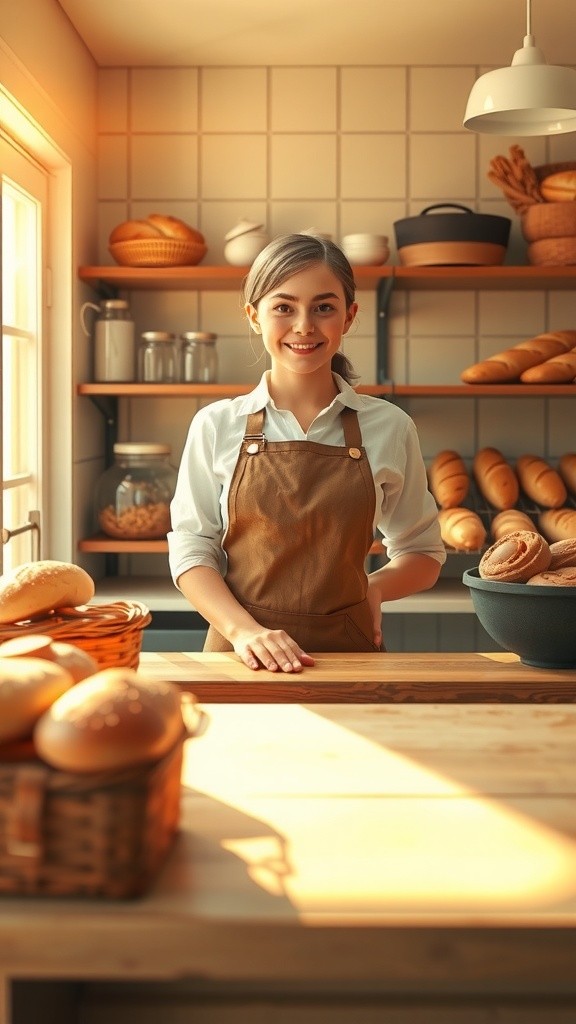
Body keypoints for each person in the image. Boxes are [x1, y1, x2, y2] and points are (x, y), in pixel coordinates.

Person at [168, 233, 445, 672]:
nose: (304, 326)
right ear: (254, 316)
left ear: (349, 316)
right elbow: (191, 551)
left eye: (324, 307)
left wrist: (375, 588)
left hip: (350, 655)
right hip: (240, 656)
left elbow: (423, 552)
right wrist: (245, 632)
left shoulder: (390, 426)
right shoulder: (216, 425)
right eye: (283, 307)